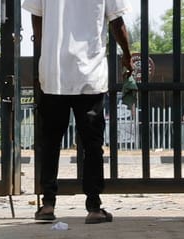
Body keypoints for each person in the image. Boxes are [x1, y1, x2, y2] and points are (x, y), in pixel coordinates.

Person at [26, 0, 134, 224]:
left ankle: (47, 205)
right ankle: (94, 207)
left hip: (54, 73)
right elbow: (117, 21)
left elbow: (36, 16)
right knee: (92, 145)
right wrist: (127, 54)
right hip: (89, 75)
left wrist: (45, 49)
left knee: (51, 142)